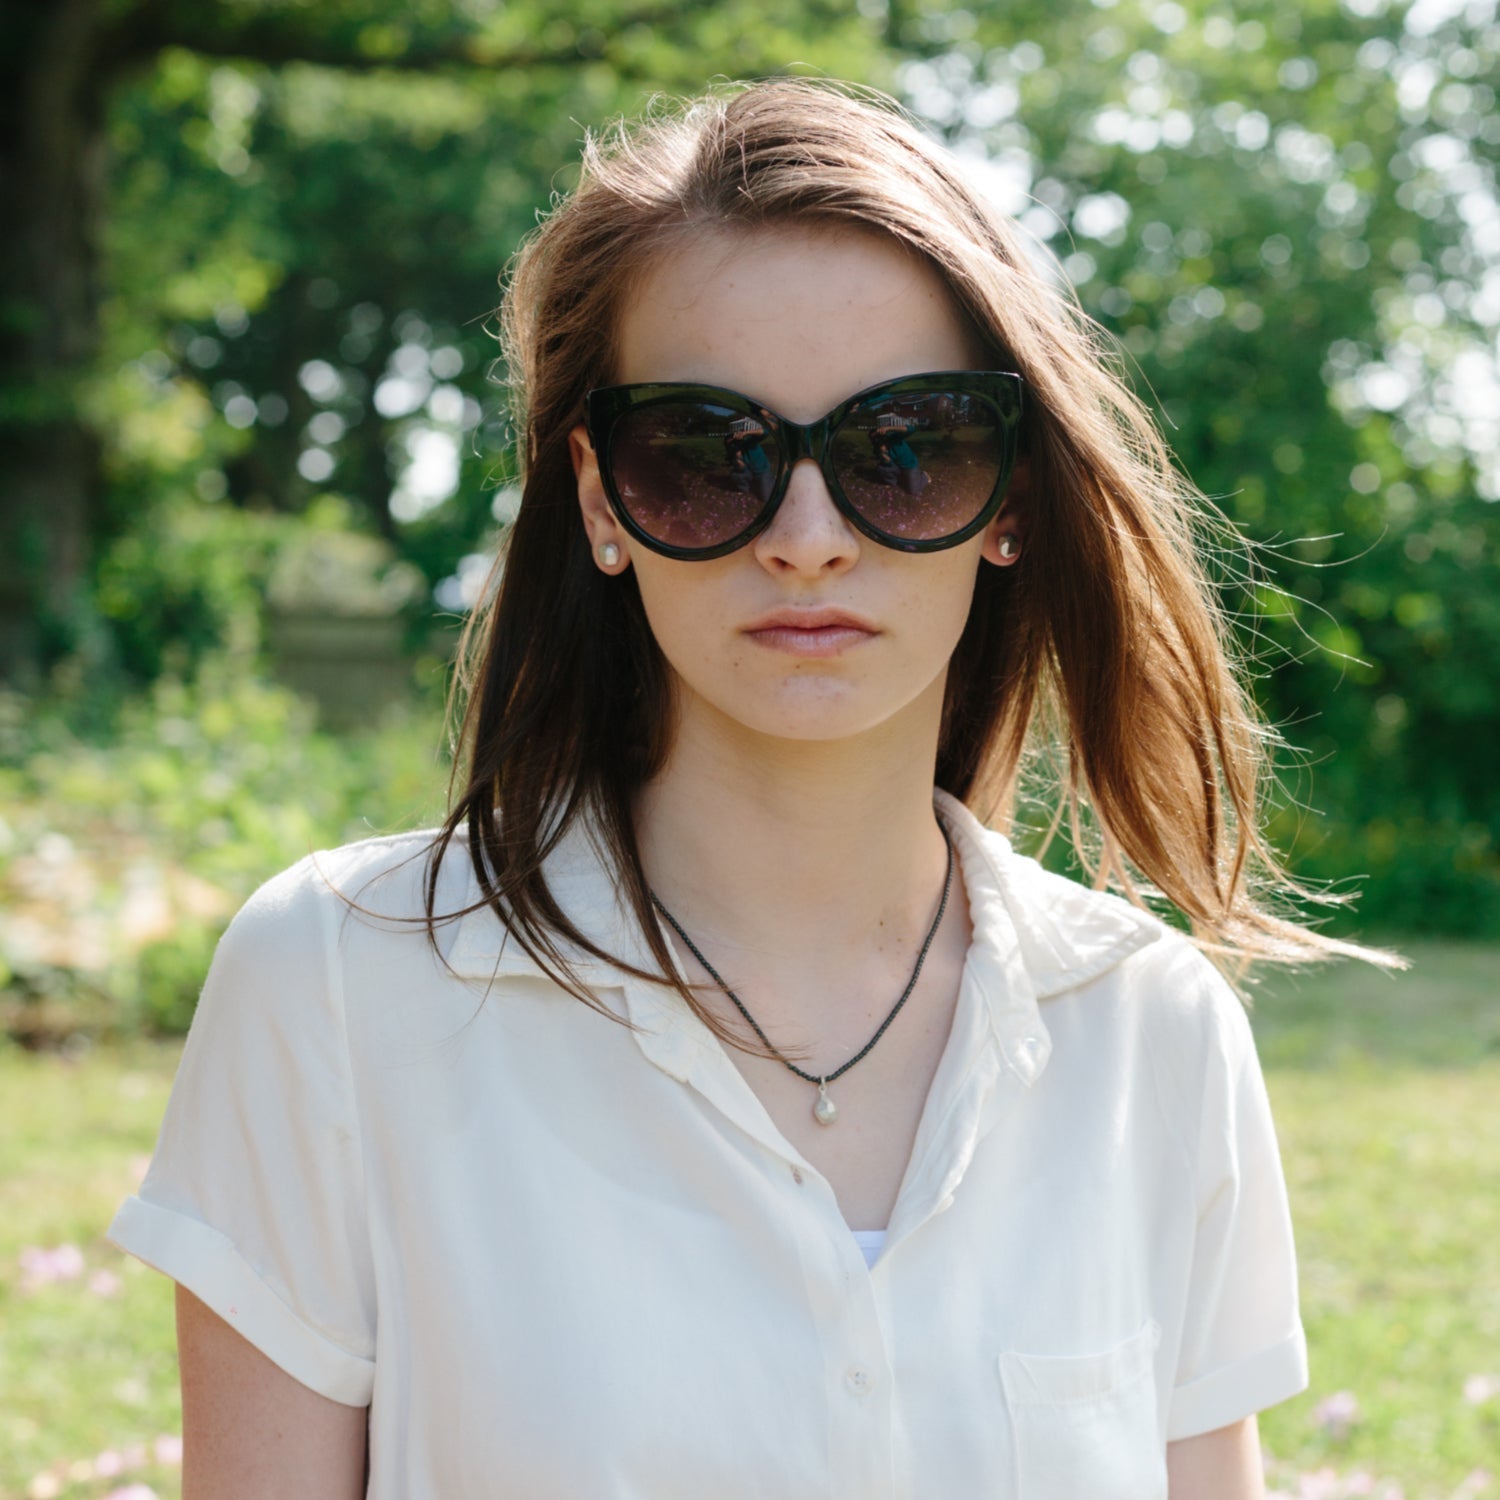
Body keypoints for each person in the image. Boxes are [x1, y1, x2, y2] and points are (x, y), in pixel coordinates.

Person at [107, 77, 1399, 1498]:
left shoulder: (1151, 1036)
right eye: (704, 453)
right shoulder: (340, 988)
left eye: (906, 450)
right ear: (600, 500)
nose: (805, 538)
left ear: (1013, 497)